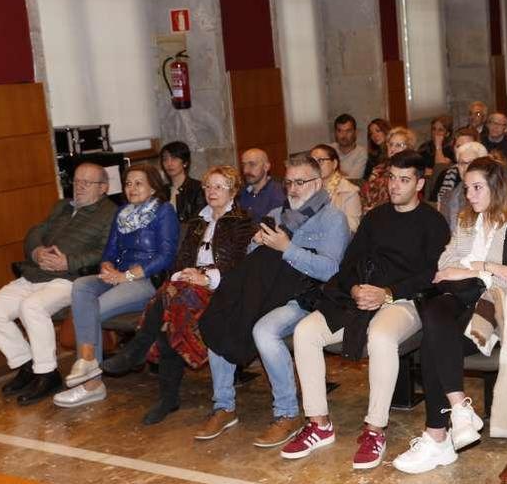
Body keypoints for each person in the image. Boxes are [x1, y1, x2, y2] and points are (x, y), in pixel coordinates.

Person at [282, 151, 450, 470]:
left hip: (405, 300)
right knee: (305, 332)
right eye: (391, 178)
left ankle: (375, 429)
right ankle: (319, 423)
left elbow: (431, 274)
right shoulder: (375, 218)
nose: (395, 186)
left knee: (381, 337)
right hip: (360, 295)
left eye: (404, 180)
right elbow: (348, 265)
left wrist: (387, 293)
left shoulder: (433, 222)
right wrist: (356, 288)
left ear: (420, 183)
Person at [392, 157, 507, 474]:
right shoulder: (466, 222)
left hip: (496, 312)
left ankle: (439, 437)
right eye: (467, 187)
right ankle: (456, 411)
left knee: (433, 337)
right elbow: (443, 267)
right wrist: (488, 268)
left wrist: (476, 269)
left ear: (496, 187)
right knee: (435, 316)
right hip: (458, 303)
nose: (469, 195)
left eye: (476, 188)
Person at [191, 155, 350, 444]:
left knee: (263, 330)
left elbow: (330, 271)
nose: (293, 188)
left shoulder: (333, 218)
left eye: (300, 182)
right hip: (266, 290)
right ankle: (223, 406)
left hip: (306, 297)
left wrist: (287, 248)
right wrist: (257, 243)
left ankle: (287, 413)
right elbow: (254, 263)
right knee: (222, 316)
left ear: (318, 182)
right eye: (288, 182)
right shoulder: (277, 214)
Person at [99, 166, 255, 425]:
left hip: (222, 289)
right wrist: (184, 274)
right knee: (172, 311)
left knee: (170, 303)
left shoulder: (243, 222)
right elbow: (180, 258)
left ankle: (141, 355)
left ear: (233, 191)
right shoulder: (198, 221)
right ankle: (164, 393)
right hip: (186, 288)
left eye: (219, 186)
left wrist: (205, 277)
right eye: (207, 186)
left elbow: (238, 264)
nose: (211, 192)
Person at [0, 163, 116, 406]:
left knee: (31, 307)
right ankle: (26, 364)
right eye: (77, 181)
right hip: (36, 274)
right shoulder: (62, 206)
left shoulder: (110, 214)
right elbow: (35, 232)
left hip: (70, 279)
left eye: (86, 183)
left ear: (103, 188)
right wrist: (37, 252)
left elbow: (105, 252)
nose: (78, 187)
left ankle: (47, 374)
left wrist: (67, 262)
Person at [54, 165, 179, 408]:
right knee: (81, 285)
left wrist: (128, 276)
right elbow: (109, 251)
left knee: (92, 310)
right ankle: (89, 365)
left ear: (153, 187)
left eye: (138, 183)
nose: (132, 188)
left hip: (147, 280)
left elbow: (166, 256)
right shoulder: (122, 213)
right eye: (128, 183)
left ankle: (91, 383)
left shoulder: (164, 212)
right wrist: (108, 267)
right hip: (118, 276)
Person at [360, 127, 417, 213]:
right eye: (391, 144)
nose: (393, 149)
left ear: (409, 148)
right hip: (371, 212)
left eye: (398, 145)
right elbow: (366, 193)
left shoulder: (412, 171)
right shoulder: (378, 168)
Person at [310, 144, 362, 233]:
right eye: (312, 161)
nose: (316, 165)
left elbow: (353, 226)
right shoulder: (306, 187)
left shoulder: (349, 191)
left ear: (334, 164)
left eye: (320, 160)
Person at [439, 142, 490, 230]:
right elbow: (443, 233)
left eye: (471, 162)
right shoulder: (447, 197)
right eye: (461, 163)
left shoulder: (493, 193)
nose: (466, 168)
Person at [161, 141, 206, 223]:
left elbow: (198, 220)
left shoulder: (198, 188)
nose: (169, 163)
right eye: (165, 159)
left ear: (185, 163)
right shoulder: (162, 191)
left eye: (174, 158)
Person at [237, 148, 286, 223]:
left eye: (252, 164)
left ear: (266, 167)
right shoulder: (240, 193)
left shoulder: (278, 195)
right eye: (243, 165)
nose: (245, 170)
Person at [434, 127, 481, 203]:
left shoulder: (485, 173)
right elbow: (434, 204)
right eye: (458, 146)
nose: (462, 150)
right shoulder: (444, 174)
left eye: (467, 145)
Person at [330, 114, 369, 179]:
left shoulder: (361, 152)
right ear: (335, 133)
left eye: (348, 131)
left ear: (355, 132)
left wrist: (333, 171)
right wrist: (343, 174)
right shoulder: (328, 149)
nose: (344, 135)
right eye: (339, 131)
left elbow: (353, 179)